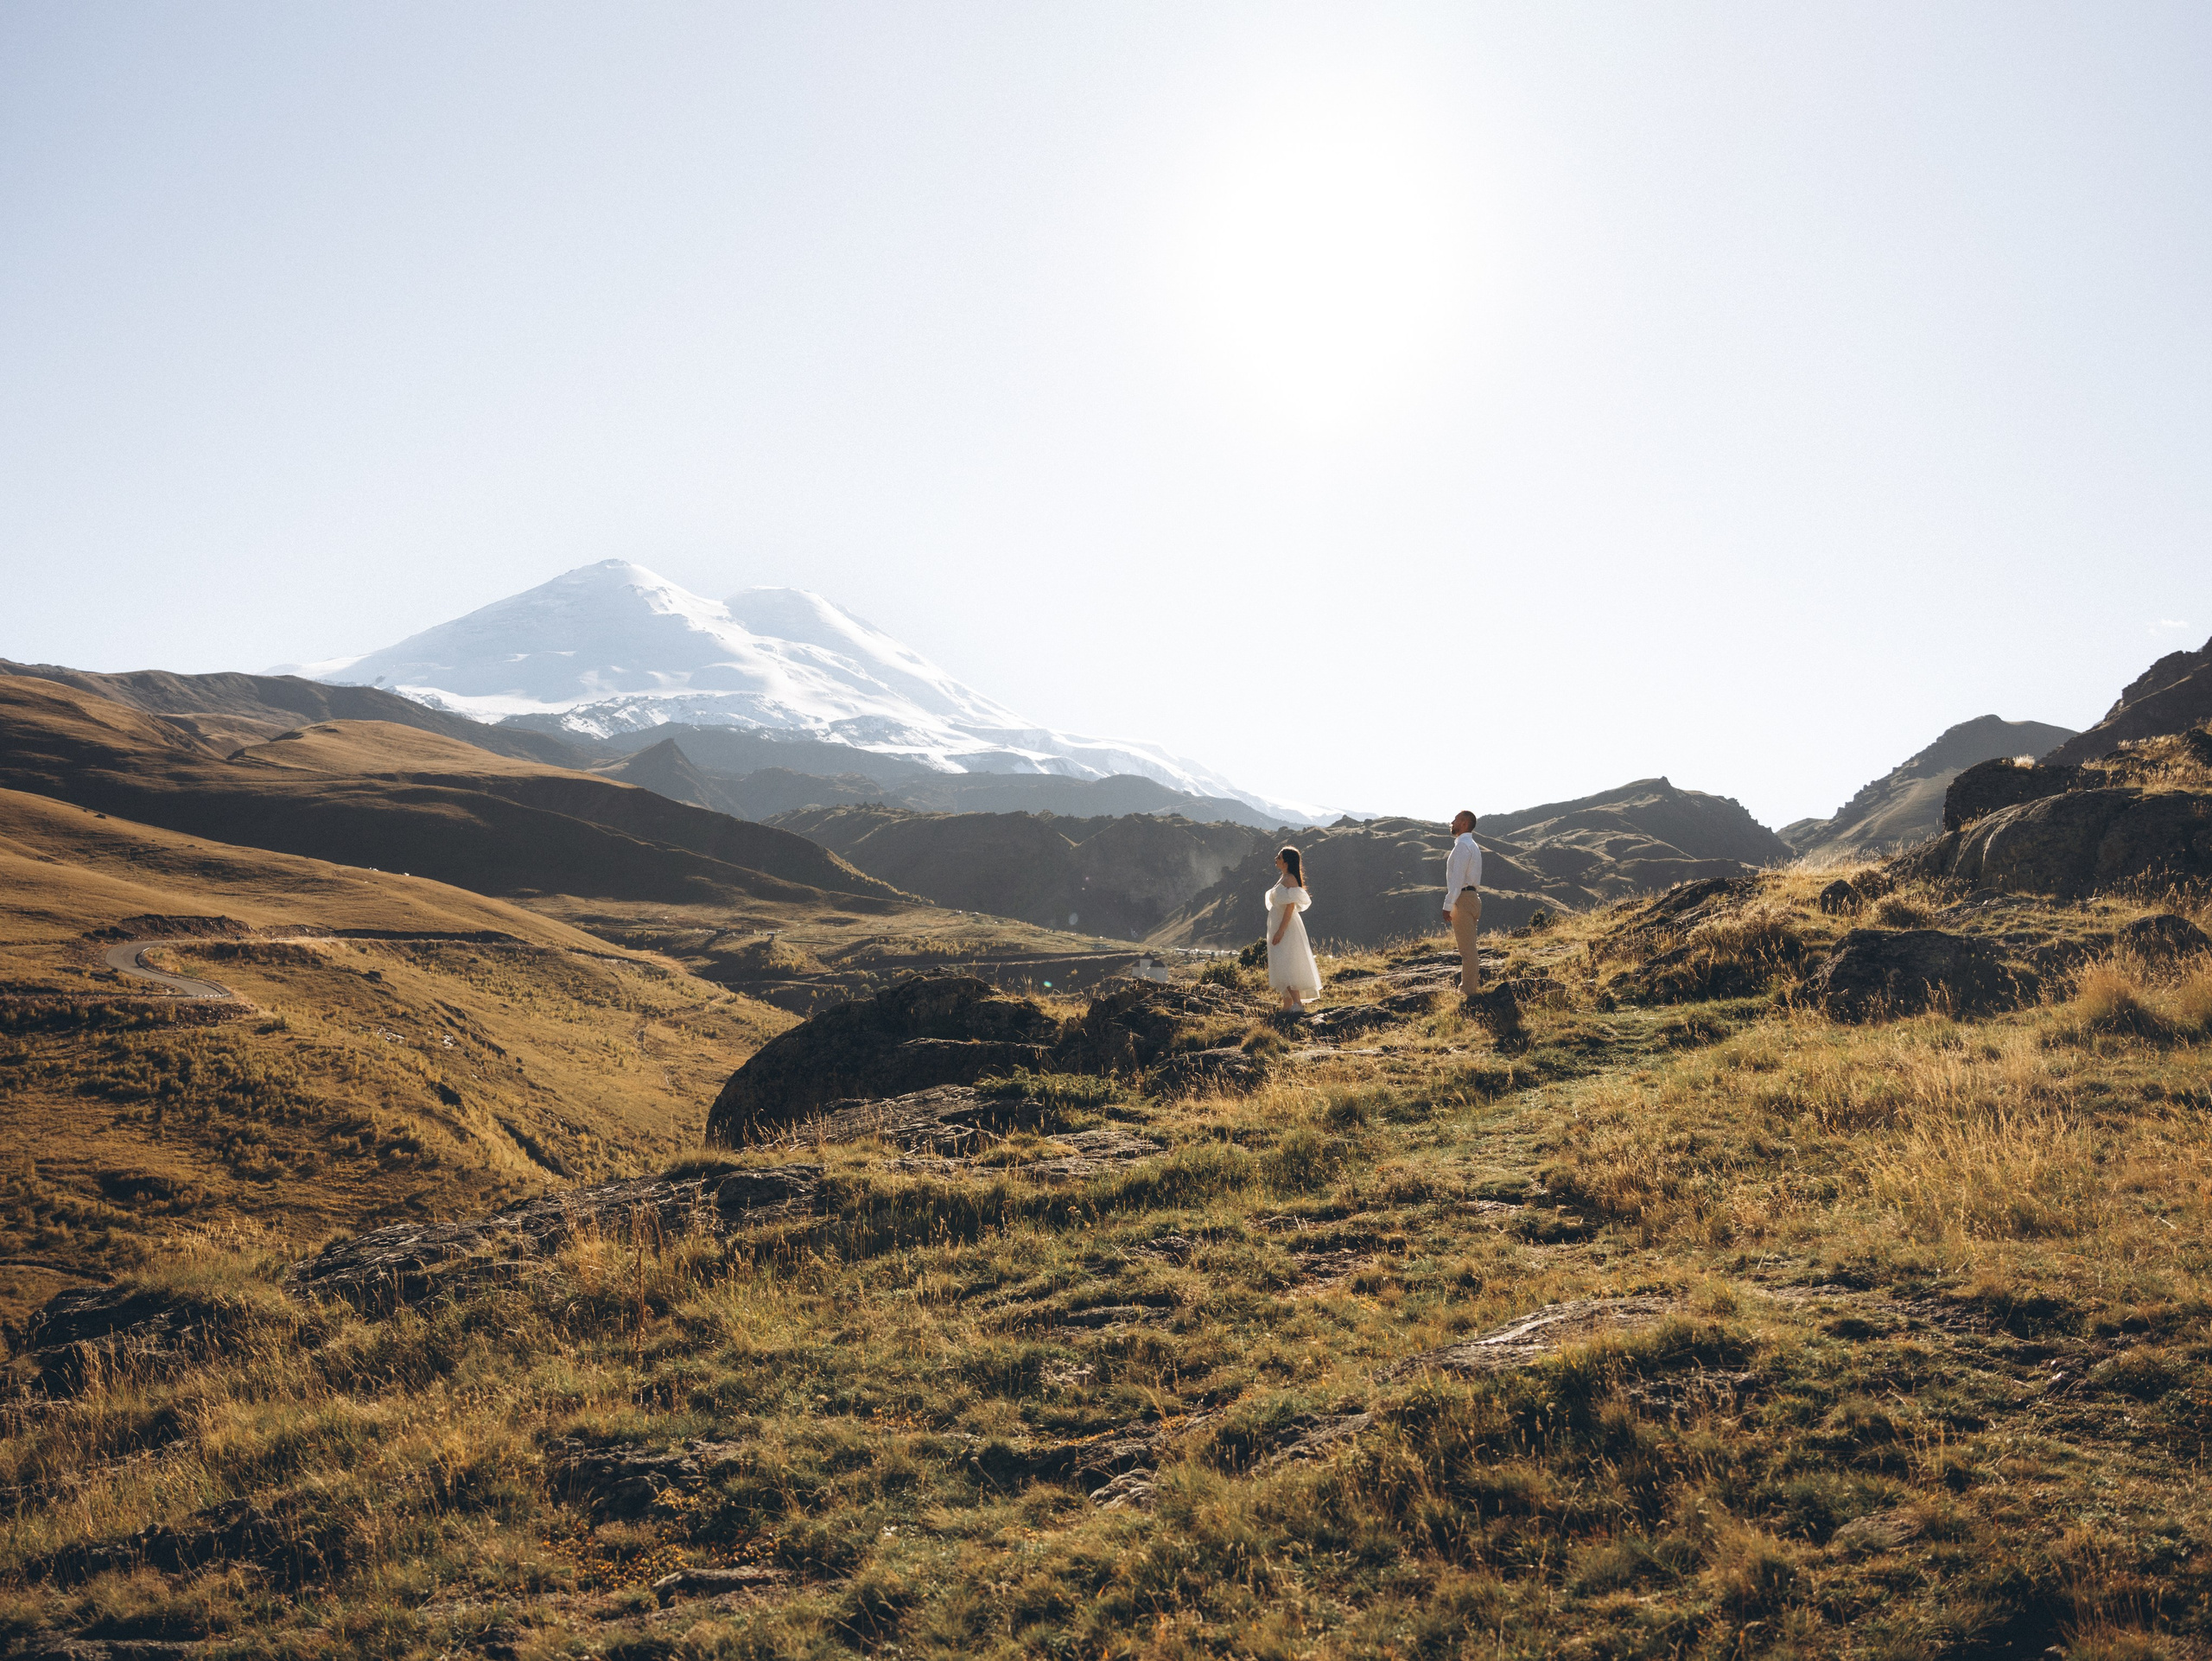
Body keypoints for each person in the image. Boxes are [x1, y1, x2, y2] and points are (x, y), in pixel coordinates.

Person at [1265, 845, 1321, 1011]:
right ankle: (1287, 1006)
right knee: (1281, 962)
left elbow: (1290, 907)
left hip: (1286, 926)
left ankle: (1298, 1004)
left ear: (1286, 862)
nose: (1276, 859)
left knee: (1287, 962)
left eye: (1279, 857)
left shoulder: (1290, 879)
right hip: (1278, 923)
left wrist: (1281, 930)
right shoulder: (1284, 877)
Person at [1441, 810, 1483, 996]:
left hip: (1463, 900)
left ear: (1464, 823)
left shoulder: (1461, 847)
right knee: (1470, 948)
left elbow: (1457, 880)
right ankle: (1469, 987)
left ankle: (1468, 991)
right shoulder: (1472, 845)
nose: (1452, 822)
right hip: (1472, 898)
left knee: (1467, 951)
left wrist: (1447, 905)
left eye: (1456, 819)